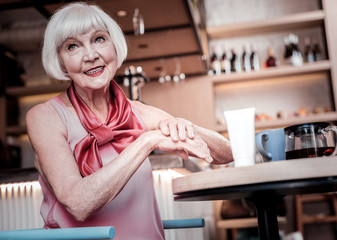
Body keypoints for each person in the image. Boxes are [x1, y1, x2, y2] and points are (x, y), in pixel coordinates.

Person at [26, 2, 233, 239]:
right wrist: (147, 142)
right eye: (72, 46)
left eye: (99, 39)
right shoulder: (45, 117)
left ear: (115, 45)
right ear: (60, 61)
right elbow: (79, 203)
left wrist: (186, 126)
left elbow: (226, 153)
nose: (91, 55)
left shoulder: (138, 112)